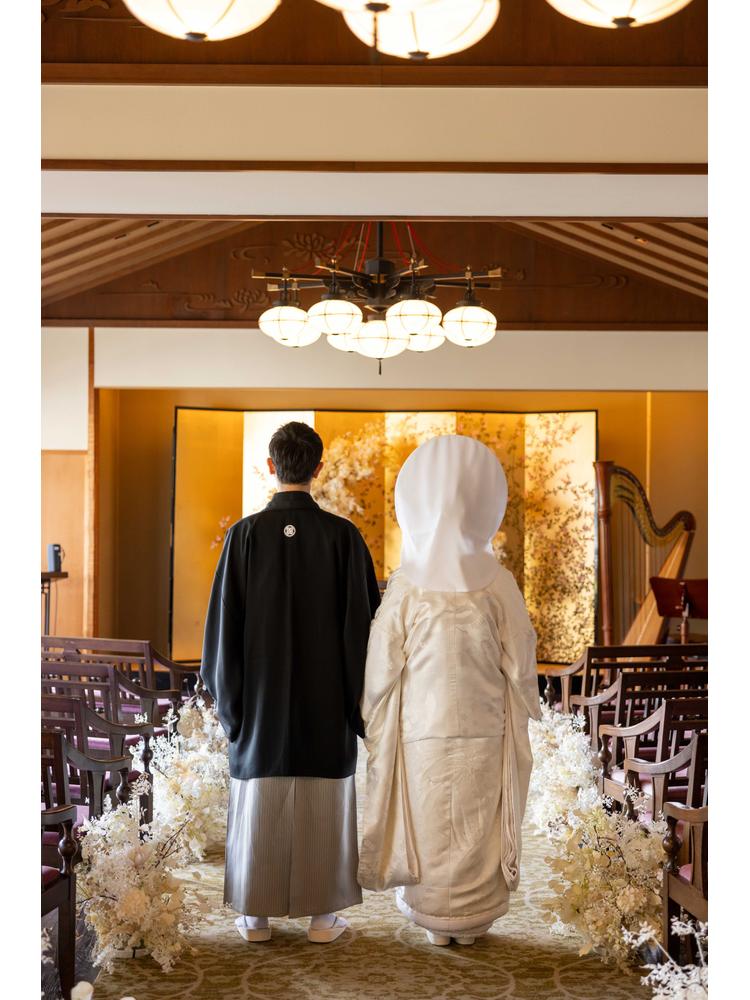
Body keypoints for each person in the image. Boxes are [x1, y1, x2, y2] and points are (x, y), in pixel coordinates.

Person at [357, 434, 542, 946]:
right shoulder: (498, 582)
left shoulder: (407, 585)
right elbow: (520, 654)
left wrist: (370, 712)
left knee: (432, 819)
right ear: (482, 505)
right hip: (485, 723)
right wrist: (529, 700)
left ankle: (435, 919)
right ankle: (473, 919)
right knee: (476, 821)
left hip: (423, 726)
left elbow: (381, 661)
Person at [201, 421, 381, 944]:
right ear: (318, 468)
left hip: (259, 713)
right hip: (325, 710)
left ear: (270, 466)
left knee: (259, 802)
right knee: (324, 803)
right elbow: (365, 632)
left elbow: (221, 633)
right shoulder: (343, 538)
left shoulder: (244, 536)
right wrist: (358, 708)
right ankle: (322, 918)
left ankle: (254, 918)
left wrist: (233, 711)